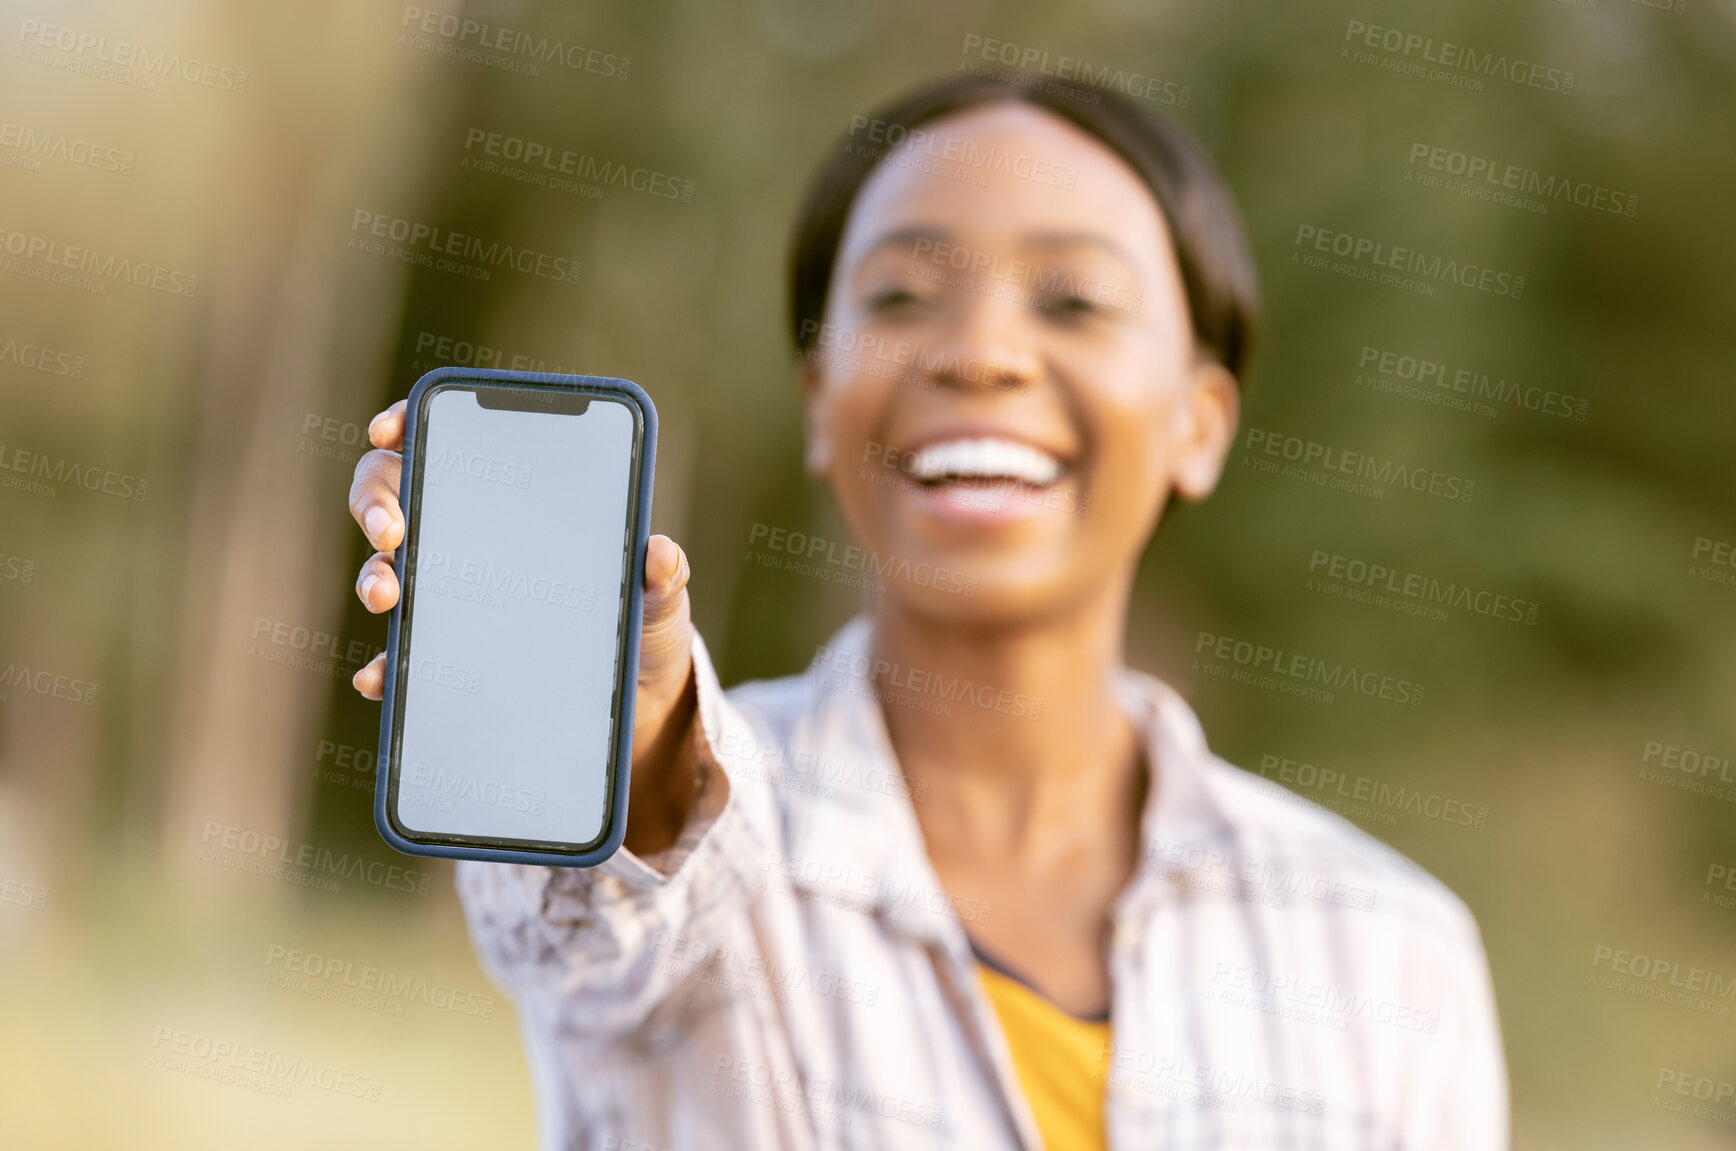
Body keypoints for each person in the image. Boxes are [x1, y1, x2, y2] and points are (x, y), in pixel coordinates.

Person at [347, 71, 1507, 1150]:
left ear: (1198, 420)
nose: (979, 351)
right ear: (818, 402)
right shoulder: (698, 840)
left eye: (1073, 300)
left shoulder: (1389, 952)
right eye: (901, 293)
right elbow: (593, 929)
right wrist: (630, 750)